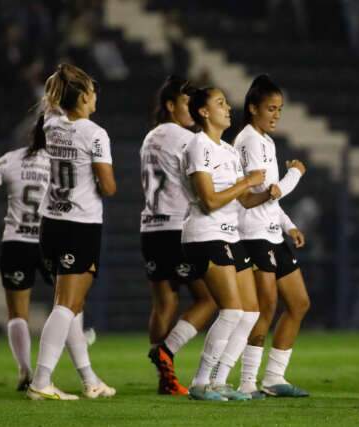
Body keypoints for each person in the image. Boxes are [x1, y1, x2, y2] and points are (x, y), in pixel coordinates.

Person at [26, 63, 117, 400]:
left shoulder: (50, 123)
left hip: (50, 223)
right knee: (67, 305)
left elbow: (52, 107)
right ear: (81, 97)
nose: (96, 97)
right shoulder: (95, 133)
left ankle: (90, 380)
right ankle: (41, 381)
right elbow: (108, 187)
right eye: (92, 92)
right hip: (79, 224)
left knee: (71, 307)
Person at [179, 86, 273, 401]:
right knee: (231, 311)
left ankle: (220, 381)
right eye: (220, 103)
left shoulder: (229, 151)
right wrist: (246, 180)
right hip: (205, 234)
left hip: (230, 234)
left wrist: (266, 193)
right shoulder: (198, 146)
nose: (228, 108)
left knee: (249, 313)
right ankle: (199, 383)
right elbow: (208, 200)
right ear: (204, 112)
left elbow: (244, 201)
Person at [230, 75, 311, 398]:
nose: (276, 115)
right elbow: (267, 191)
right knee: (266, 307)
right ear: (253, 108)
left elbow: (271, 197)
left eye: (279, 109)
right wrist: (296, 173)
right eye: (270, 108)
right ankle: (247, 381)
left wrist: (288, 225)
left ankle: (274, 377)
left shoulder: (266, 140)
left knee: (299, 303)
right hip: (252, 234)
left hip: (272, 233)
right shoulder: (248, 140)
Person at [140, 76, 217, 396]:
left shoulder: (150, 138)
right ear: (170, 106)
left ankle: (165, 377)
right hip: (177, 227)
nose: (194, 110)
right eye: (188, 104)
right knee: (211, 298)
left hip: (151, 228)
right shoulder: (185, 139)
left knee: (164, 304)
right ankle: (167, 353)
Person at [0, 142, 51, 391]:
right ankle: (81, 373)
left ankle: (25, 371)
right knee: (70, 304)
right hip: (49, 242)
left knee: (17, 313)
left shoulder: (10, 159)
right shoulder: (58, 161)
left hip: (16, 242)